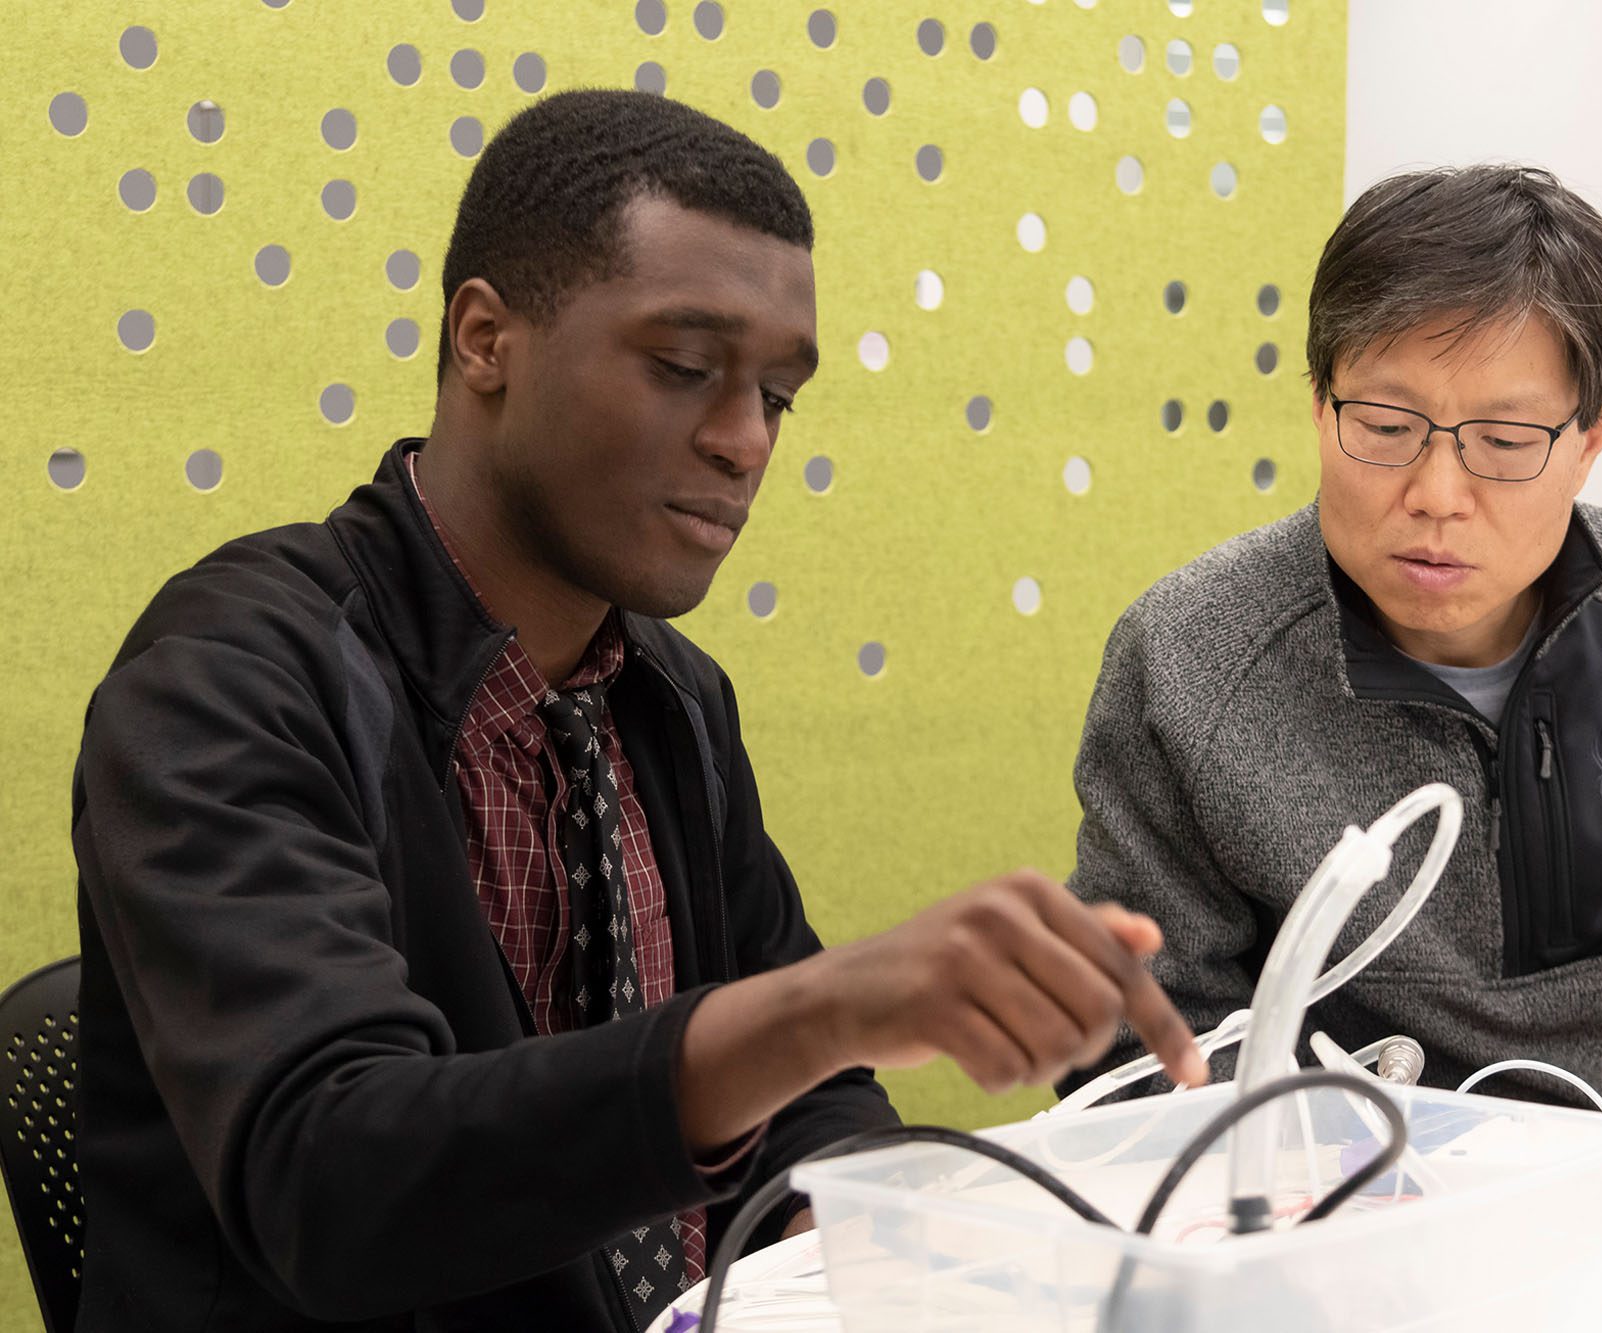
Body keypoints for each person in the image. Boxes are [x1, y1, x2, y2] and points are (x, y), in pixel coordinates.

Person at [70, 90, 1204, 1331]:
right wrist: (829, 1006)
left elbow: (796, 1096)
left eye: (778, 395)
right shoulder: (228, 675)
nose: (745, 442)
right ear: (485, 339)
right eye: (683, 368)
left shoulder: (666, 691)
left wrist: (906, 1244)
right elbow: (331, 1182)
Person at [1060, 165, 1602, 1131]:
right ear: (1321, 404)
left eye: (1508, 441)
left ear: (1590, 438)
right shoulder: (1188, 660)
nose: (1438, 491)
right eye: (1388, 427)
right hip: (1341, 1221)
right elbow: (1142, 1036)